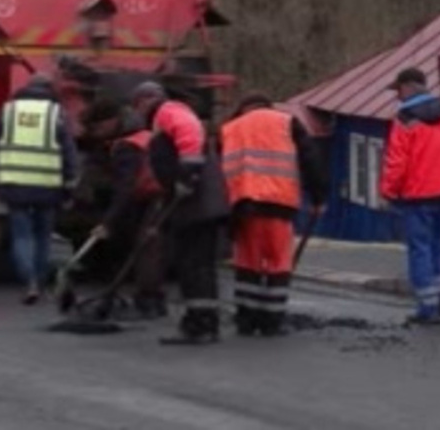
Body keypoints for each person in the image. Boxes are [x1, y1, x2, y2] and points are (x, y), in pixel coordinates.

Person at [221, 94, 327, 336]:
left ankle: (246, 320)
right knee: (279, 262)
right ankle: (271, 321)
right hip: (280, 204)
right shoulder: (286, 122)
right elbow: (311, 159)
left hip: (244, 206)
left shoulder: (231, 128)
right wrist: (319, 197)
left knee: (247, 263)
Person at [133, 81, 230, 345]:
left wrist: (187, 176)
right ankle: (202, 321)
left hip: (196, 204)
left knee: (194, 266)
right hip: (197, 205)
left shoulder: (168, 111)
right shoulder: (167, 116)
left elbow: (190, 135)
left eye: (138, 105)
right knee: (199, 266)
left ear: (146, 100)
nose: (138, 111)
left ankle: (200, 324)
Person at [379, 67, 440, 325]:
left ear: (408, 87)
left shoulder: (404, 120)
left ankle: (427, 307)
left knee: (420, 249)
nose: (397, 95)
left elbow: (397, 162)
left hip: (417, 194)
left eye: (398, 90)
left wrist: (388, 190)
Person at [0, 74, 78, 305]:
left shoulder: (8, 111)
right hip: (48, 186)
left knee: (22, 235)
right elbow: (69, 151)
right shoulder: (56, 113)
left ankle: (29, 282)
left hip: (14, 184)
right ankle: (40, 280)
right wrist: (70, 184)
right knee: (43, 237)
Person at [83, 99, 168, 319]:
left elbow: (125, 189)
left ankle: (149, 301)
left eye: (98, 128)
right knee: (149, 247)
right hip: (160, 194)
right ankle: (154, 300)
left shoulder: (127, 147)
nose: (97, 134)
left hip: (153, 197)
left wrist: (107, 223)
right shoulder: (143, 135)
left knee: (146, 248)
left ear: (110, 121)